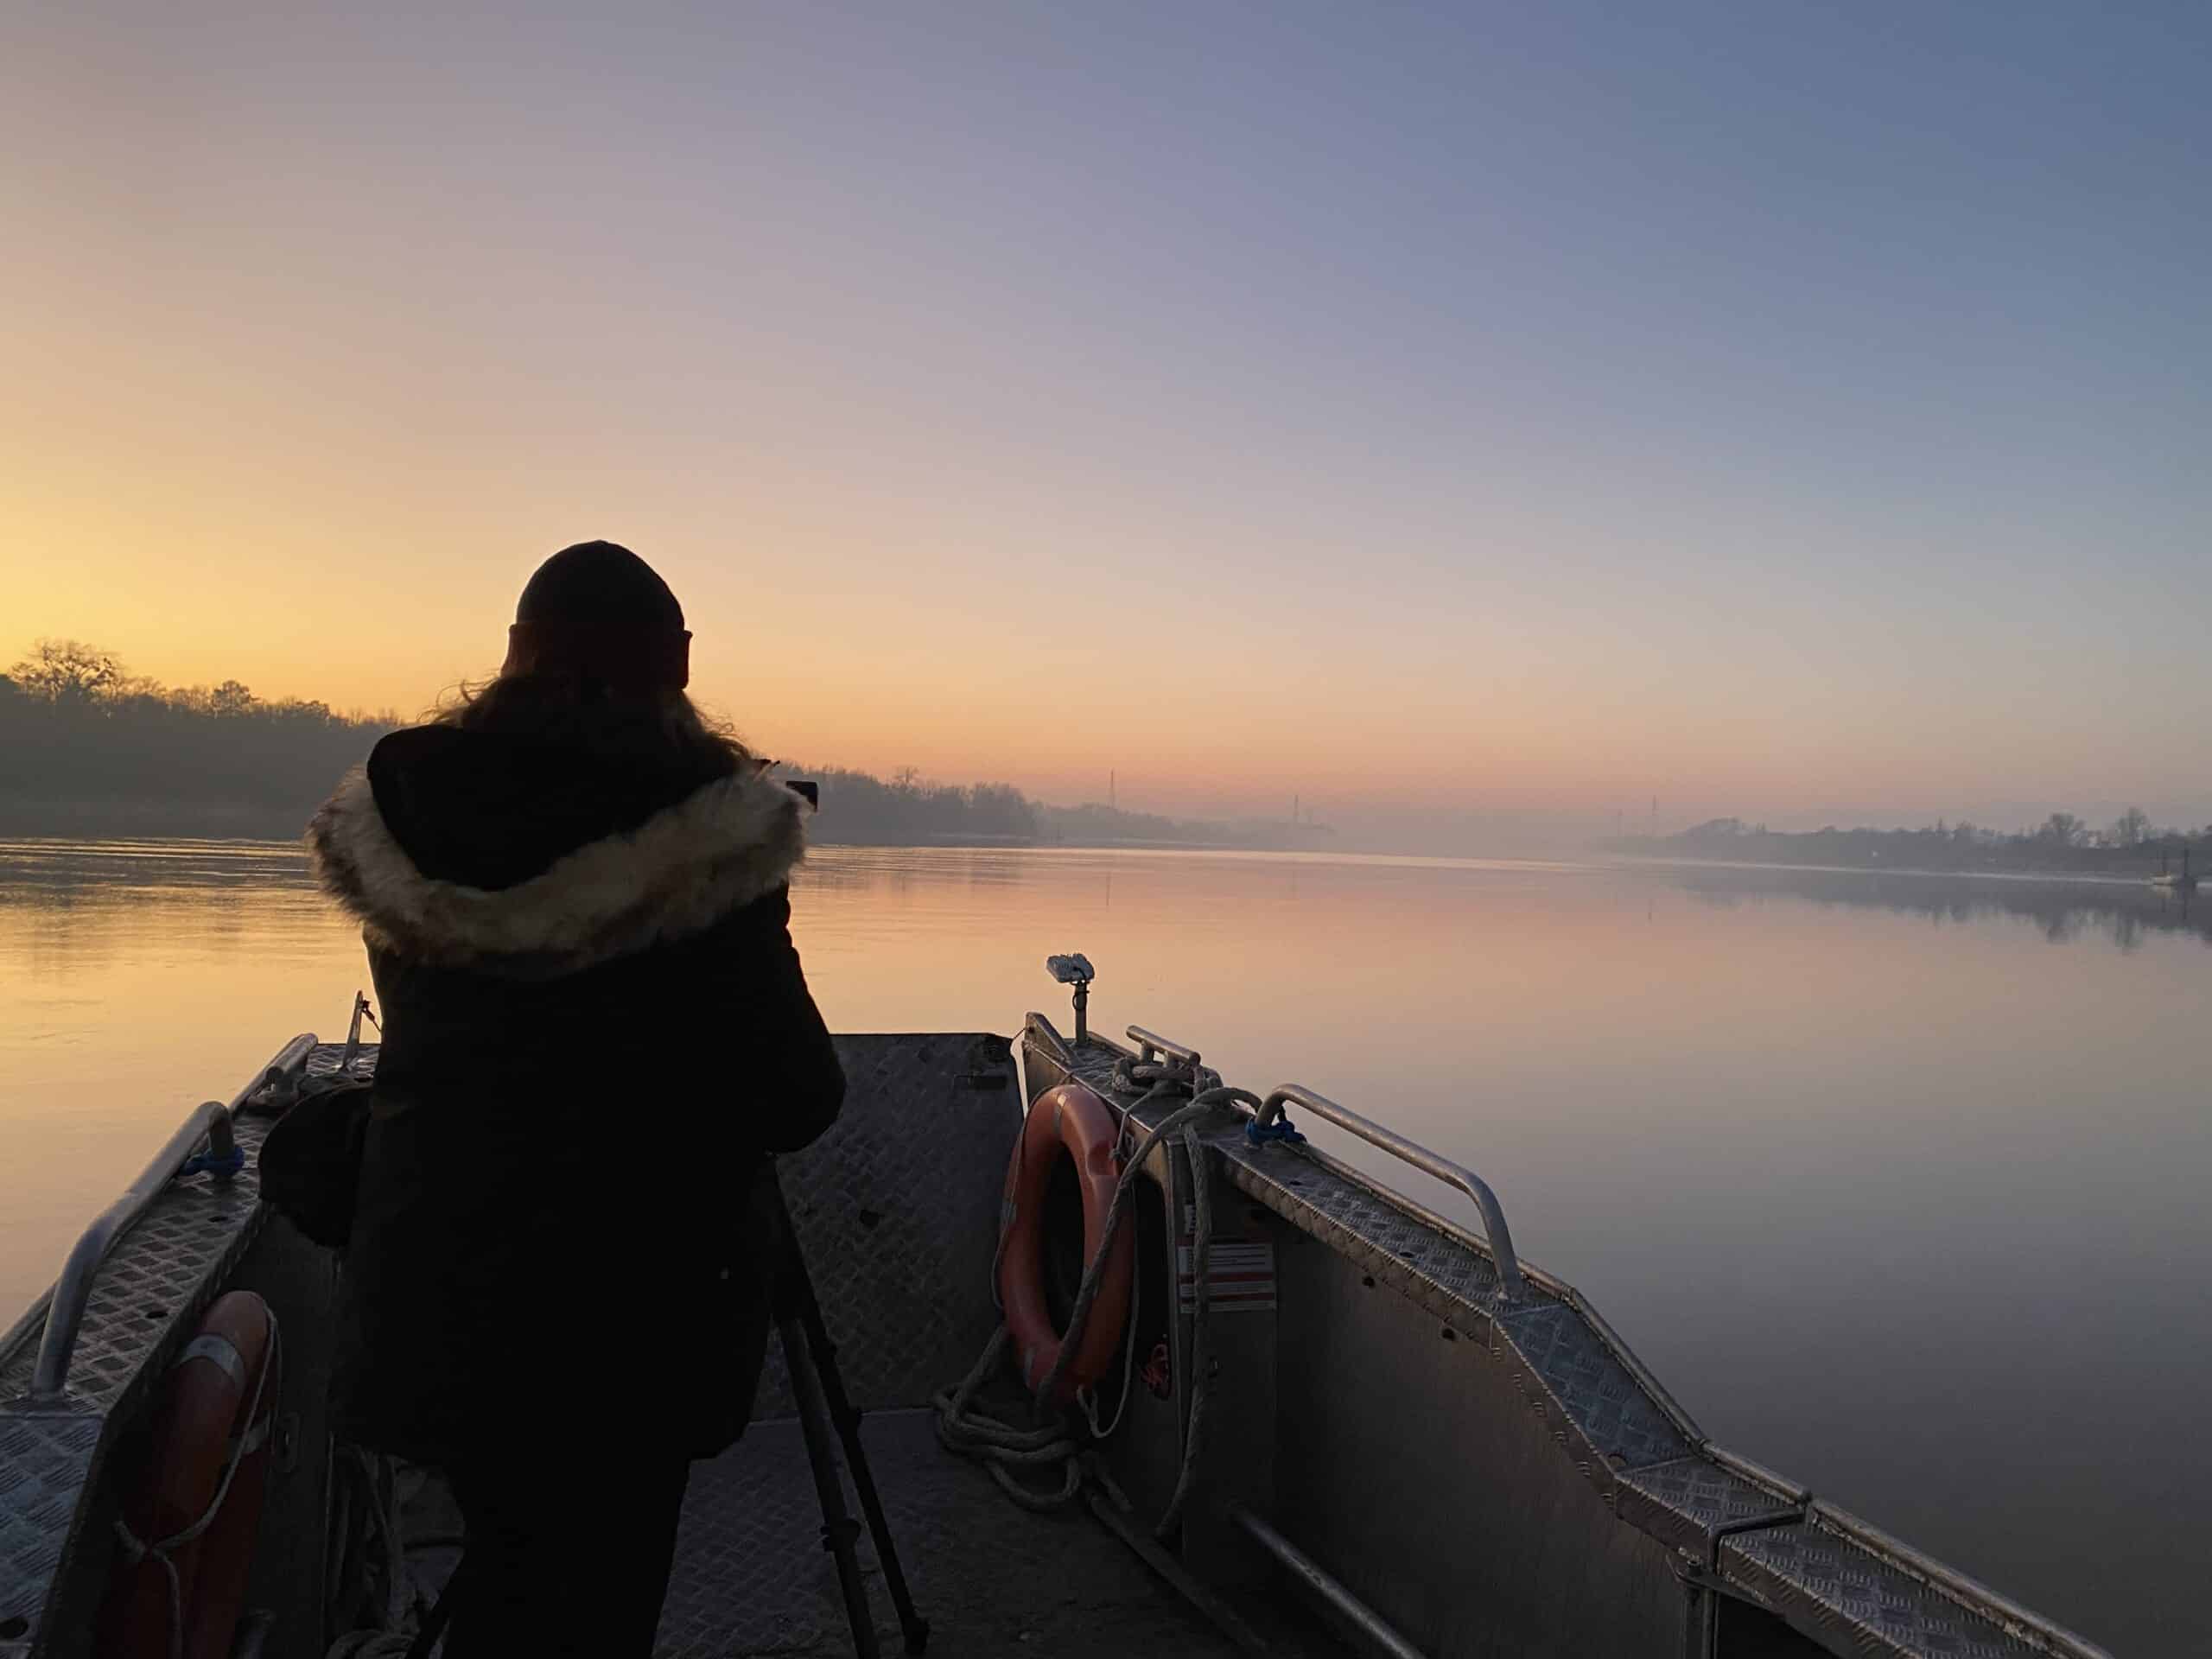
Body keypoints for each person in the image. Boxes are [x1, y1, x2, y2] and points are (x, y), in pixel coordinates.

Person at [306, 541, 844, 1656]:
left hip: (435, 1291)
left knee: (511, 1566)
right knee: (588, 1599)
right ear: (679, 672)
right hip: (628, 1319)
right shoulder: (711, 847)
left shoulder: (409, 826)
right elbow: (796, 1096)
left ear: (510, 663)